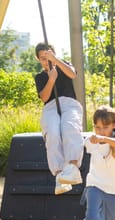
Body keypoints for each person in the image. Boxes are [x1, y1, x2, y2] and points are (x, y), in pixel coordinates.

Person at [34, 42, 84, 195]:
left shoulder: (64, 66)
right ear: (38, 60)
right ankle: (59, 175)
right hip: (51, 107)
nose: (46, 60)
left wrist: (55, 61)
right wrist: (51, 79)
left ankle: (73, 167)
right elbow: (44, 97)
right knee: (53, 133)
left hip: (69, 104)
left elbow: (73, 74)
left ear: (54, 54)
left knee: (70, 127)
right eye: (43, 58)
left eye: (48, 56)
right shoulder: (40, 77)